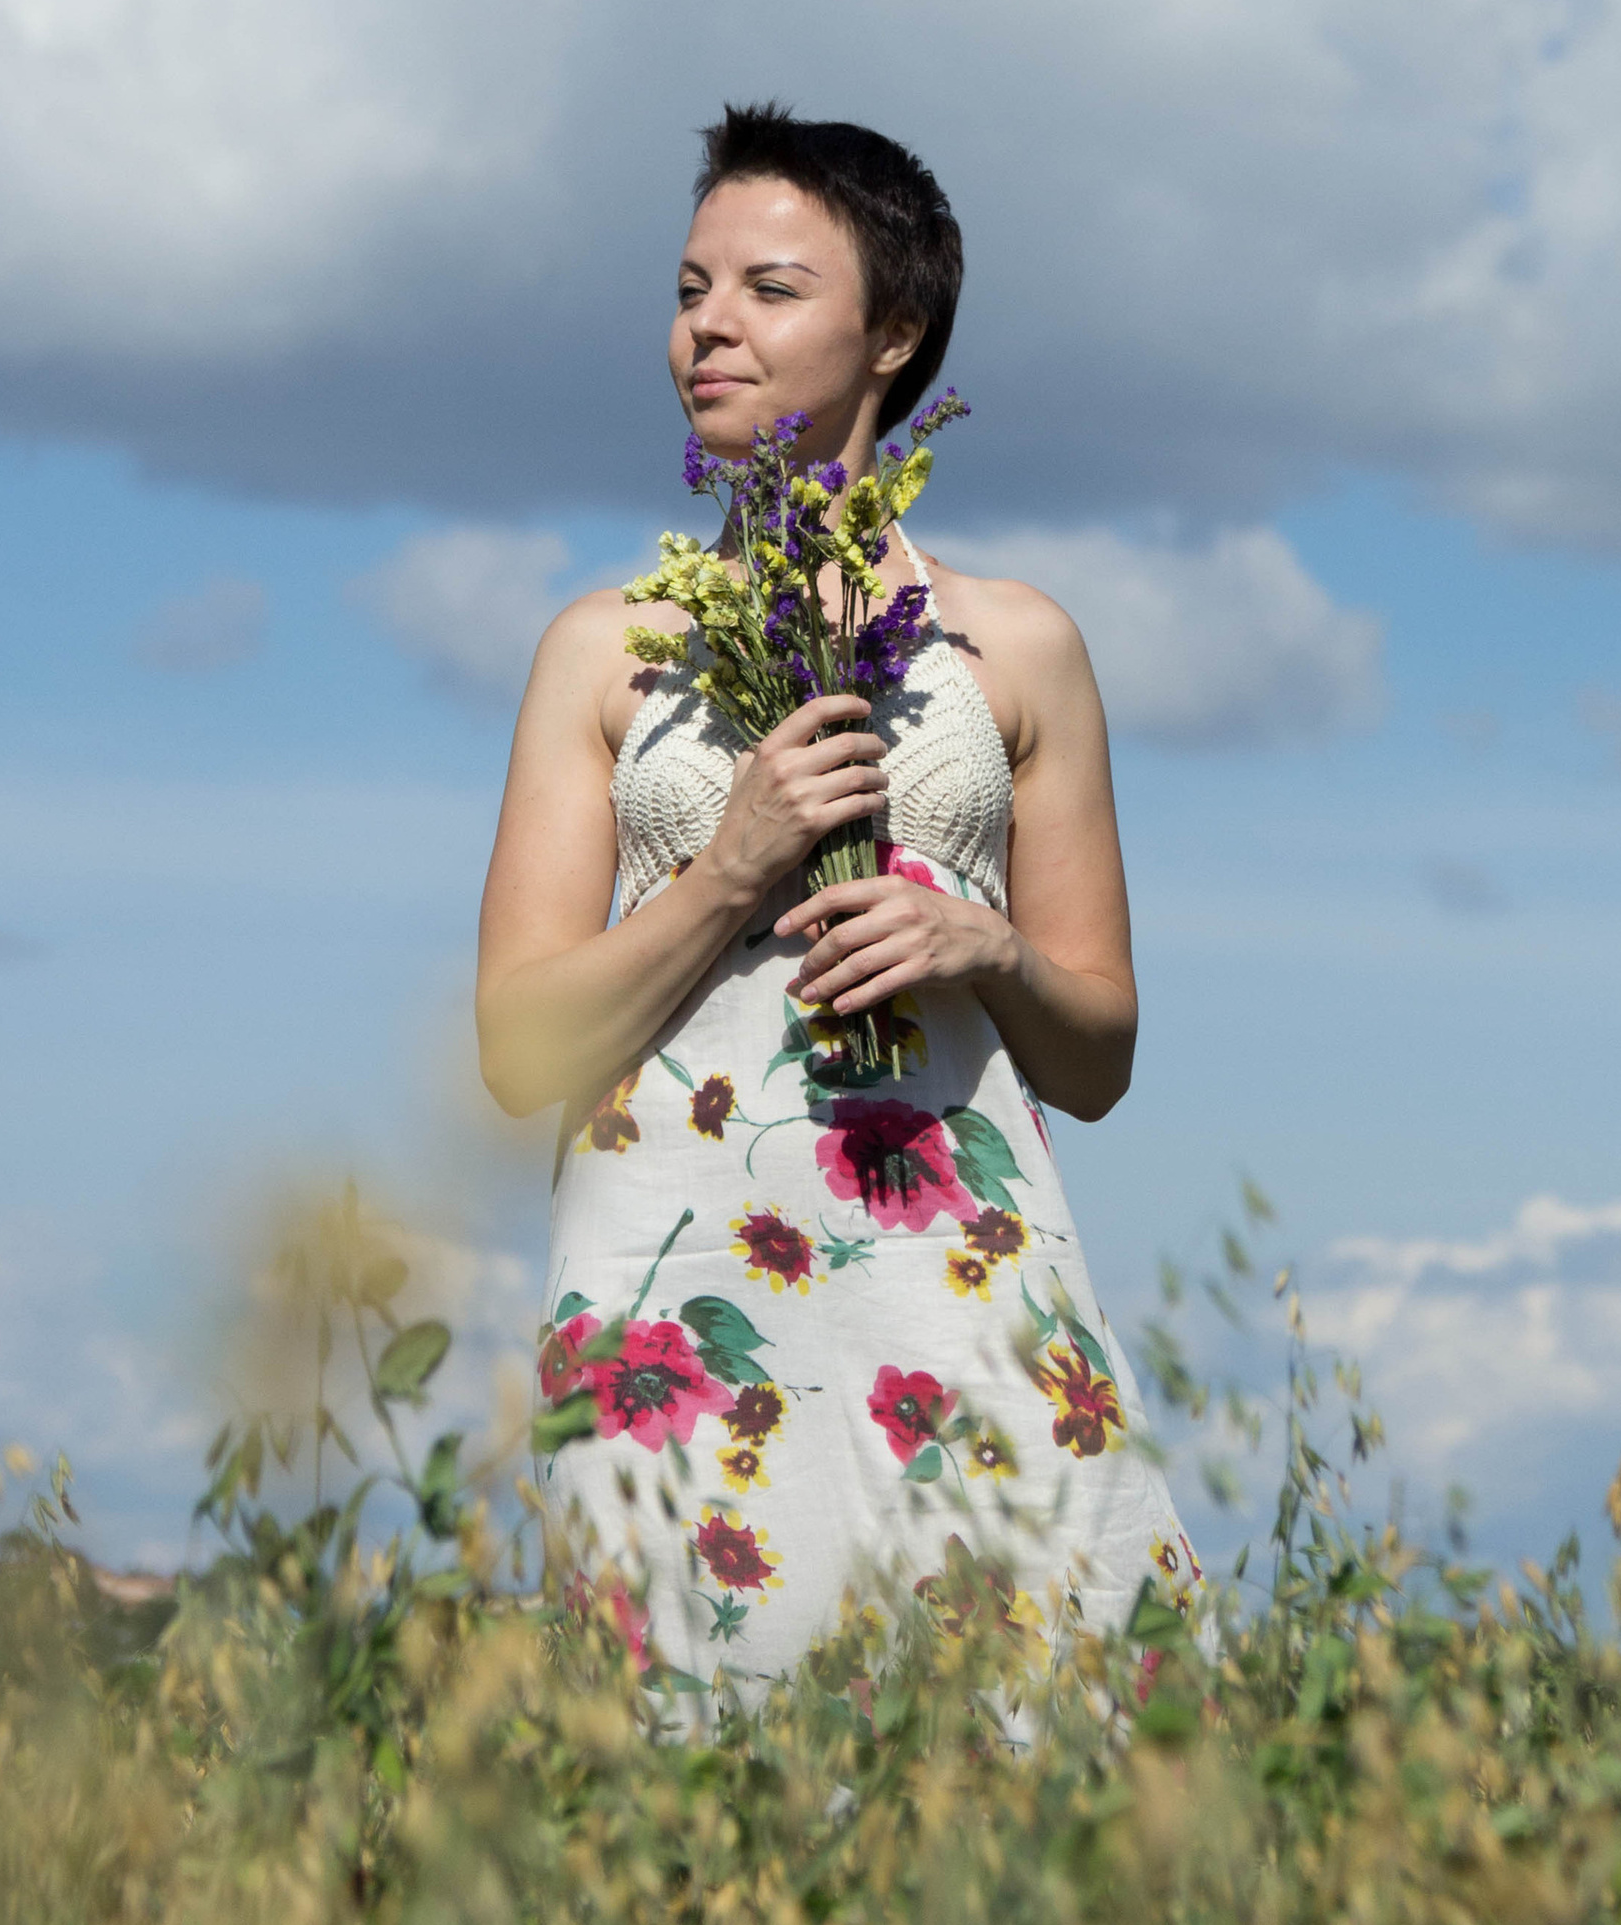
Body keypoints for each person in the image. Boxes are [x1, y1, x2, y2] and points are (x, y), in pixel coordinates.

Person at [476, 104, 1200, 1688]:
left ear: (896, 334)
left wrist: (988, 944)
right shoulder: (605, 650)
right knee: (686, 1799)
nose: (707, 327)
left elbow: (1099, 1057)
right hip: (675, 1296)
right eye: (689, 289)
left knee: (1050, 1763)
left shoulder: (1019, 646)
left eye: (769, 288)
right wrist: (724, 867)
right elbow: (518, 1049)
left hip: (954, 1292)